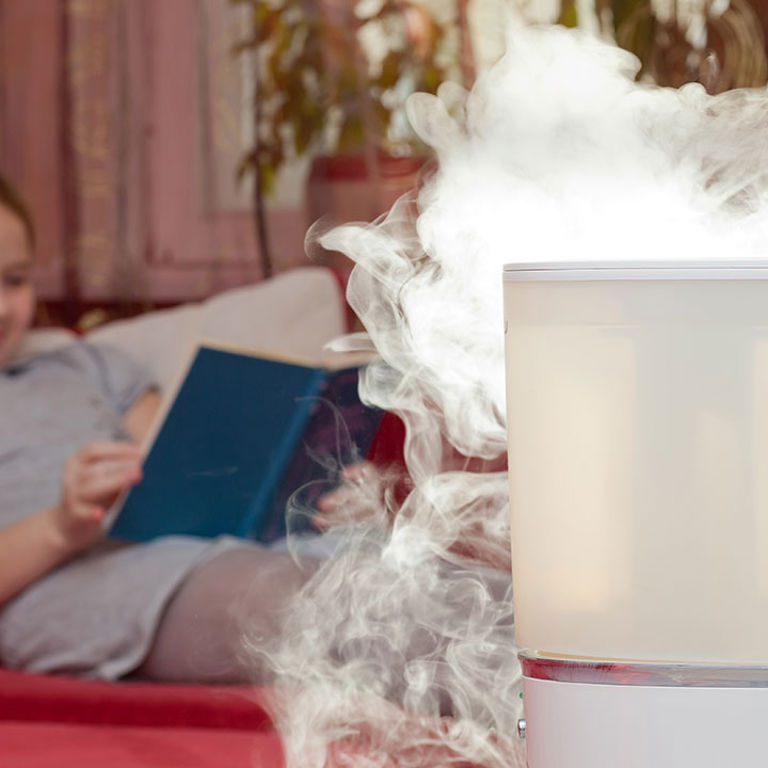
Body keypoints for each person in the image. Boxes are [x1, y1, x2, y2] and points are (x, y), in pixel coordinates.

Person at [0, 175, 320, 683]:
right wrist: (60, 527)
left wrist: (308, 493)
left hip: (203, 548)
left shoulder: (87, 366)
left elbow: (183, 463)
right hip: (79, 587)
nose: (1, 307)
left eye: (13, 280)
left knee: (390, 561)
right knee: (305, 602)